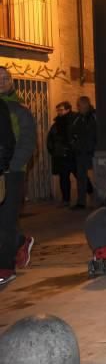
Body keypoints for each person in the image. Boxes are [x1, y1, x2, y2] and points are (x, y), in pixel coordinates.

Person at [0, 66, 36, 286]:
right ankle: (21, 241)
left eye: (5, 78)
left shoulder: (19, 109)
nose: (1, 81)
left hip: (11, 172)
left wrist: (14, 166)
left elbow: (28, 140)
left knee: (6, 219)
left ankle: (6, 266)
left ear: (11, 82)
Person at [47, 101, 77, 207]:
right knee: (63, 178)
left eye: (61, 109)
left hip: (72, 155)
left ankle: (90, 193)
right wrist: (53, 150)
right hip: (60, 155)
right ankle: (66, 200)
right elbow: (50, 138)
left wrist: (73, 148)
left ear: (68, 109)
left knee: (80, 176)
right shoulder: (56, 124)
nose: (59, 112)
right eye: (58, 110)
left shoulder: (74, 121)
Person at [70, 96, 97, 209]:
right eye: (78, 105)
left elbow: (97, 133)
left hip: (92, 151)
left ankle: (98, 199)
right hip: (81, 152)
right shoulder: (77, 118)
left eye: (80, 105)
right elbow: (72, 132)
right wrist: (74, 144)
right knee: (81, 177)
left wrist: (94, 147)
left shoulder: (94, 117)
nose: (78, 107)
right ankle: (81, 202)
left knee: (97, 176)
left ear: (86, 105)